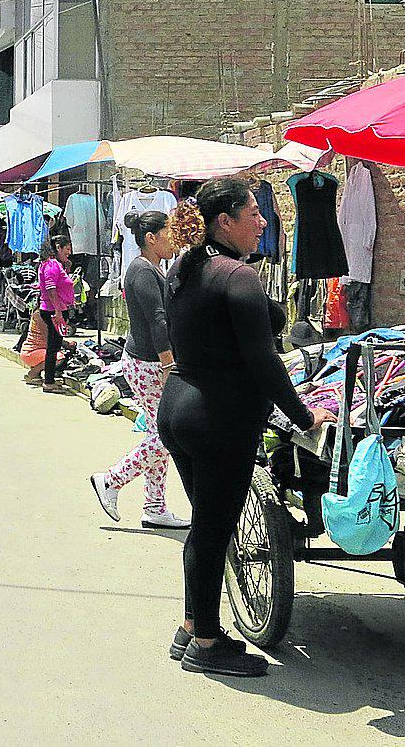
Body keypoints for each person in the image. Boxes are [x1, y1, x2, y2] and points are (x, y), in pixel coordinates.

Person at [159, 176, 332, 678]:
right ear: (224, 222)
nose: (262, 222)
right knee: (213, 530)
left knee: (206, 528)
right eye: (252, 213)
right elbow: (264, 361)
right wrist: (303, 417)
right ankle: (208, 643)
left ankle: (193, 627)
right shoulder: (237, 276)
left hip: (179, 408)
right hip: (217, 417)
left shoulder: (185, 268)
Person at [89, 211, 188, 530]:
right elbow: (157, 319)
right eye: (169, 233)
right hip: (149, 363)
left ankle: (155, 507)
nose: (173, 238)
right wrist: (168, 363)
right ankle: (111, 480)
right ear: (151, 238)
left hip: (149, 361)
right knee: (166, 436)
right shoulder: (142, 271)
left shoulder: (152, 268)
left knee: (157, 435)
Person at [37, 235, 75, 393]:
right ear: (58, 247)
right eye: (67, 249)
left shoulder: (53, 264)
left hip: (54, 309)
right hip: (54, 310)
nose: (70, 252)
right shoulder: (52, 264)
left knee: (54, 344)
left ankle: (49, 379)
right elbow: (51, 289)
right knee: (53, 346)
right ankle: (49, 382)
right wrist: (58, 311)